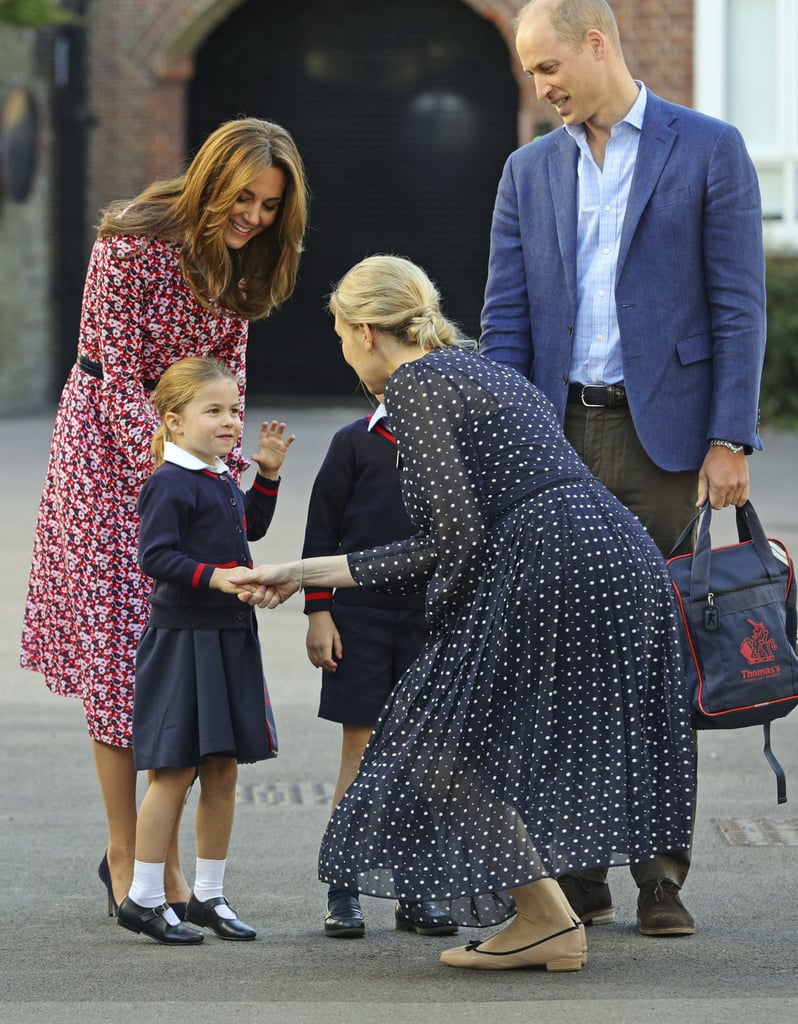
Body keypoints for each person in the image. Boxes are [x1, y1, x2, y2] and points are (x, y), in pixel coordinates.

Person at [230, 254, 696, 972]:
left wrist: (309, 574)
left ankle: (545, 918)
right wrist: (302, 573)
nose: (343, 351)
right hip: (614, 554)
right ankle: (550, 914)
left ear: (365, 331)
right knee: (514, 737)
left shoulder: (415, 385)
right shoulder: (480, 368)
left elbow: (452, 542)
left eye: (338, 335)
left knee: (432, 740)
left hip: (548, 563)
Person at [479, 0, 767, 936]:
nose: (541, 87)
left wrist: (730, 439)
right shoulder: (528, 170)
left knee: (658, 657)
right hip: (557, 438)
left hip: (667, 447)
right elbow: (506, 322)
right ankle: (578, 871)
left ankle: (662, 877)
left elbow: (737, 304)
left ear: (596, 43)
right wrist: (503, 446)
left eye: (548, 66)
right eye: (530, 74)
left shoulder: (707, 147)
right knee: (560, 658)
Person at [20, 117, 308, 916]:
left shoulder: (247, 261)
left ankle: (163, 861)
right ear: (211, 179)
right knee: (122, 660)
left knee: (177, 657)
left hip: (188, 457)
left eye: (270, 206)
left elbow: (229, 381)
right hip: (108, 457)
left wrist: (223, 475)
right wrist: (171, 480)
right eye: (243, 198)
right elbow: (115, 378)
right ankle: (130, 861)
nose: (253, 216)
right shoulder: (130, 241)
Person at [117, 356, 293, 945]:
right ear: (173, 420)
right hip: (183, 641)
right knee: (174, 770)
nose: (229, 421)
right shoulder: (168, 482)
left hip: (229, 638)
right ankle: (143, 897)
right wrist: (216, 578)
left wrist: (265, 475)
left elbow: (250, 527)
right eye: (213, 410)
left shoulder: (218, 477)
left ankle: (208, 898)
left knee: (222, 770)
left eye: (234, 409)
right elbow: (156, 557)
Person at [301, 398, 456, 939]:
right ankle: (343, 889)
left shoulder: (452, 443)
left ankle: (418, 891)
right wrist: (318, 612)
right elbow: (321, 531)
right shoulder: (353, 441)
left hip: (430, 620)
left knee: (424, 757)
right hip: (358, 616)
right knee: (361, 751)